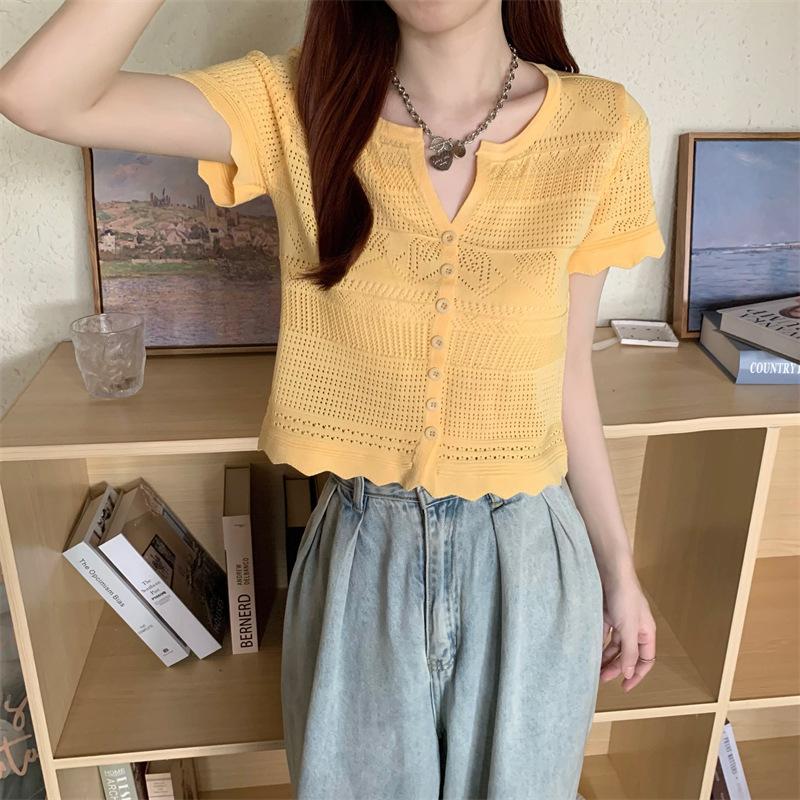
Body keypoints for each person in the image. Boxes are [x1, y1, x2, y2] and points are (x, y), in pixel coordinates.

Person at [0, 1, 663, 797]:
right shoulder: (298, 105)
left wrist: (618, 570)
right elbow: (39, 96)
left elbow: (568, 375)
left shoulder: (602, 126)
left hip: (531, 563)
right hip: (362, 551)